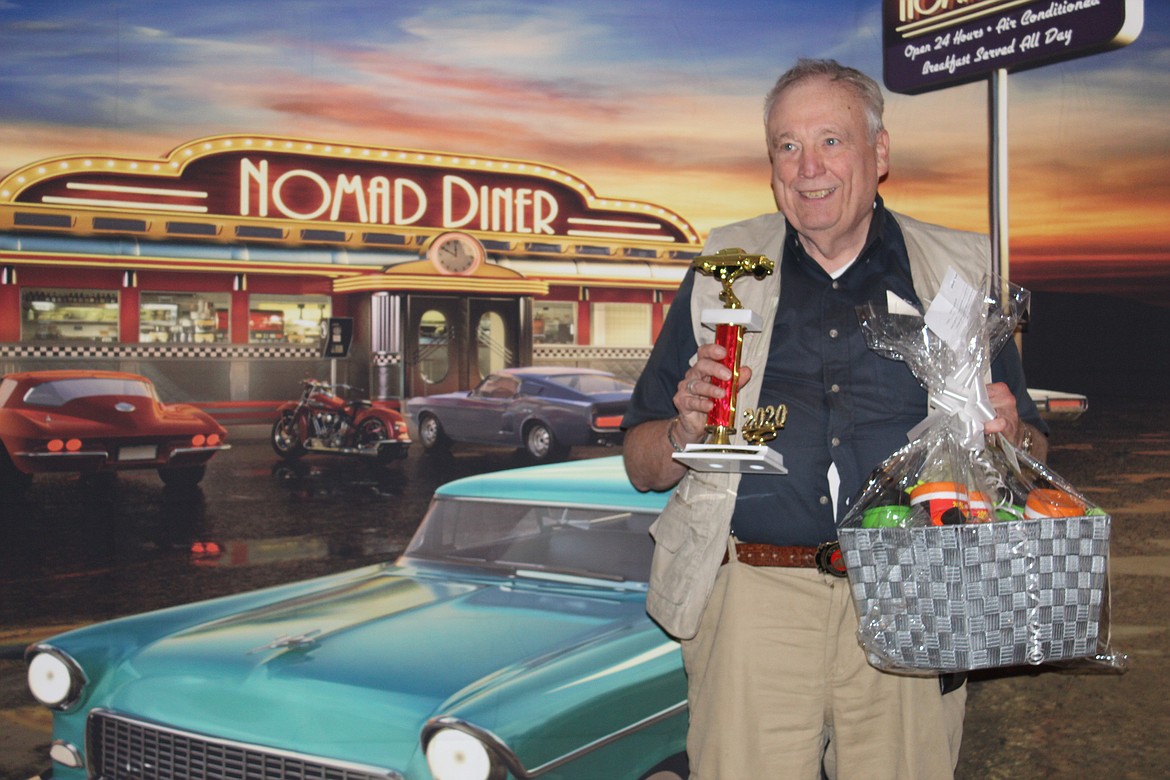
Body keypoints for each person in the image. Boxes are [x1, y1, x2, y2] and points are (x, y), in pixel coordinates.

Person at [622, 58, 1048, 779]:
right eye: (787, 146)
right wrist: (681, 432)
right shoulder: (723, 272)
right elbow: (640, 466)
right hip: (755, 600)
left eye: (831, 140)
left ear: (879, 154)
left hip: (916, 589)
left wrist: (1009, 439)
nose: (808, 167)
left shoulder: (955, 273)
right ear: (770, 165)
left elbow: (1032, 447)